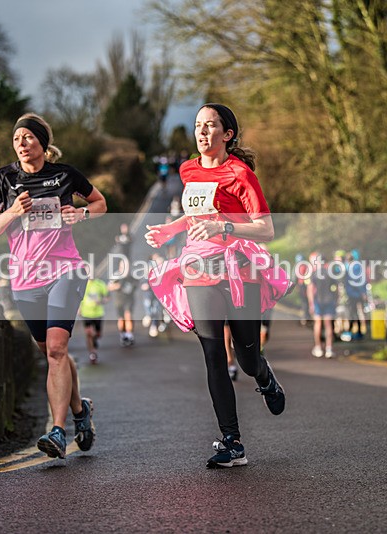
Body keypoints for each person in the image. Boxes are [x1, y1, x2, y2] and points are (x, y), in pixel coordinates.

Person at [144, 103, 289, 469]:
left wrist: (224, 227)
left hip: (239, 268)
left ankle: (265, 376)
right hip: (199, 268)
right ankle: (232, 441)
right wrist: (169, 230)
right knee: (213, 353)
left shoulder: (240, 173)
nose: (202, 132)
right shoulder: (188, 169)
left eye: (211, 126)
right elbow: (195, 216)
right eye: (197, 126)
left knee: (246, 355)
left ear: (228, 134)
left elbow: (265, 228)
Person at [0, 112, 106, 459]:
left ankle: (56, 430)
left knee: (55, 350)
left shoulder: (64, 175)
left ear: (42, 144)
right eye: (17, 138)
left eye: (28, 137)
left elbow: (100, 203)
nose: (21, 143)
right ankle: (81, 411)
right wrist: (11, 214)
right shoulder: (3, 179)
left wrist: (80, 215)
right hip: (25, 280)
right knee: (53, 354)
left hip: (66, 271)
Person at [308, 252, 337, 358]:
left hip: (318, 301)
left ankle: (318, 347)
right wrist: (336, 300)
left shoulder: (315, 274)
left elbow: (311, 289)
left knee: (318, 324)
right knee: (329, 325)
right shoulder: (331, 273)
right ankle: (329, 348)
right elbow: (336, 289)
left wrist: (311, 304)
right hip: (329, 301)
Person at [108, 257, 136, 346]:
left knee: (128, 315)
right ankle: (122, 334)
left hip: (129, 299)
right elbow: (109, 287)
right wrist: (117, 286)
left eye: (127, 266)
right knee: (121, 318)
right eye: (123, 266)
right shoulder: (115, 276)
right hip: (119, 300)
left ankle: (129, 335)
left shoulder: (131, 277)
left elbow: (135, 286)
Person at [80, 277, 109, 363]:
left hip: (98, 314)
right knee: (88, 333)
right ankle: (92, 353)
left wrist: (101, 301)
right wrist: (78, 308)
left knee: (98, 334)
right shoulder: (81, 284)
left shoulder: (100, 284)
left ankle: (95, 340)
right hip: (86, 313)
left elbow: (107, 297)